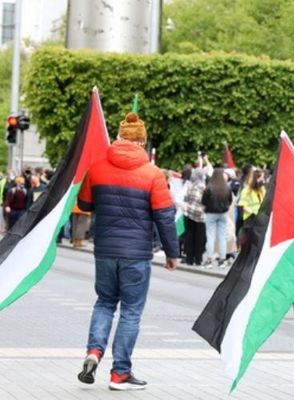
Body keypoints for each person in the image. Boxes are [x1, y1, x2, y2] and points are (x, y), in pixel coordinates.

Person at [76, 112, 179, 391]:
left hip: (105, 250)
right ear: (142, 143)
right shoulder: (153, 174)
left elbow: (84, 205)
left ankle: (93, 352)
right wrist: (172, 252)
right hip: (136, 253)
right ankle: (120, 373)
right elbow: (164, 217)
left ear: (119, 138)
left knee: (105, 302)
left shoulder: (97, 168)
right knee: (131, 311)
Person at [202, 168, 233, 267]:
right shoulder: (227, 188)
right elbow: (230, 201)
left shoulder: (209, 187)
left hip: (210, 213)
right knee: (222, 237)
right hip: (223, 213)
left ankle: (209, 260)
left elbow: (203, 201)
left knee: (210, 237)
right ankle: (222, 260)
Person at [183, 168, 207, 266]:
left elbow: (187, 198)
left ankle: (189, 258)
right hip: (201, 215)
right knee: (200, 238)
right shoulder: (203, 187)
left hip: (190, 213)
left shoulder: (191, 186)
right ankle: (198, 259)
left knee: (189, 236)